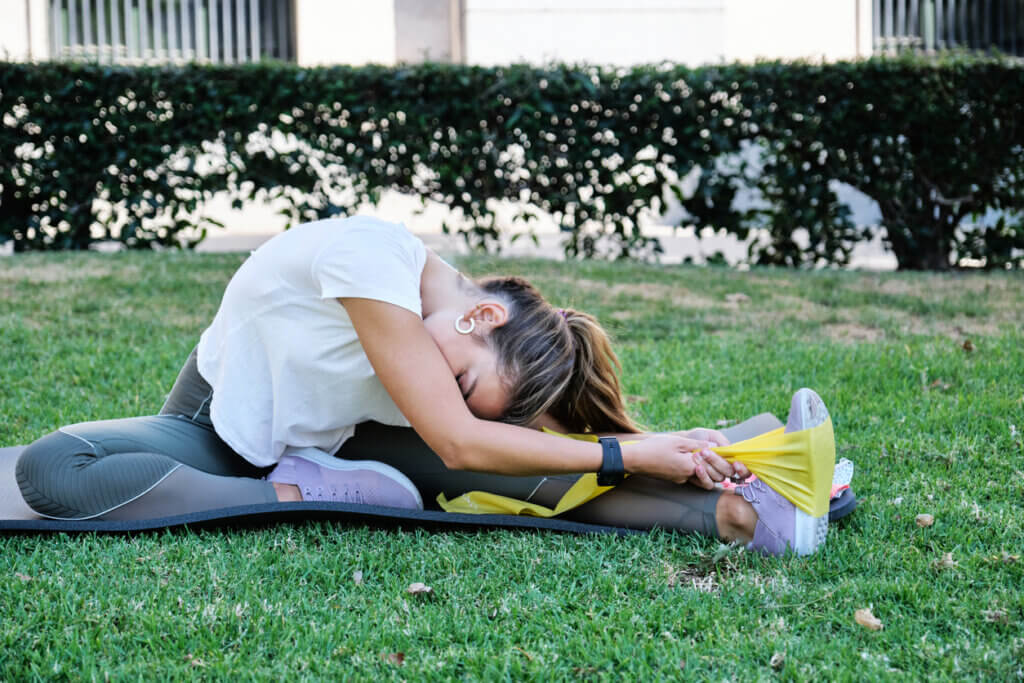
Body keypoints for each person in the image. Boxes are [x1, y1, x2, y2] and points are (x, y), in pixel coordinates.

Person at [15, 216, 831, 556]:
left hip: (342, 439)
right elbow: (455, 435)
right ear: (477, 318)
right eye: (461, 376)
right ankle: (297, 491)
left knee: (533, 472)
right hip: (217, 426)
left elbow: (495, 440)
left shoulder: (463, 342)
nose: (441, 386)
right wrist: (630, 447)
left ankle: (743, 497)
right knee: (53, 469)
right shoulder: (372, 261)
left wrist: (659, 449)